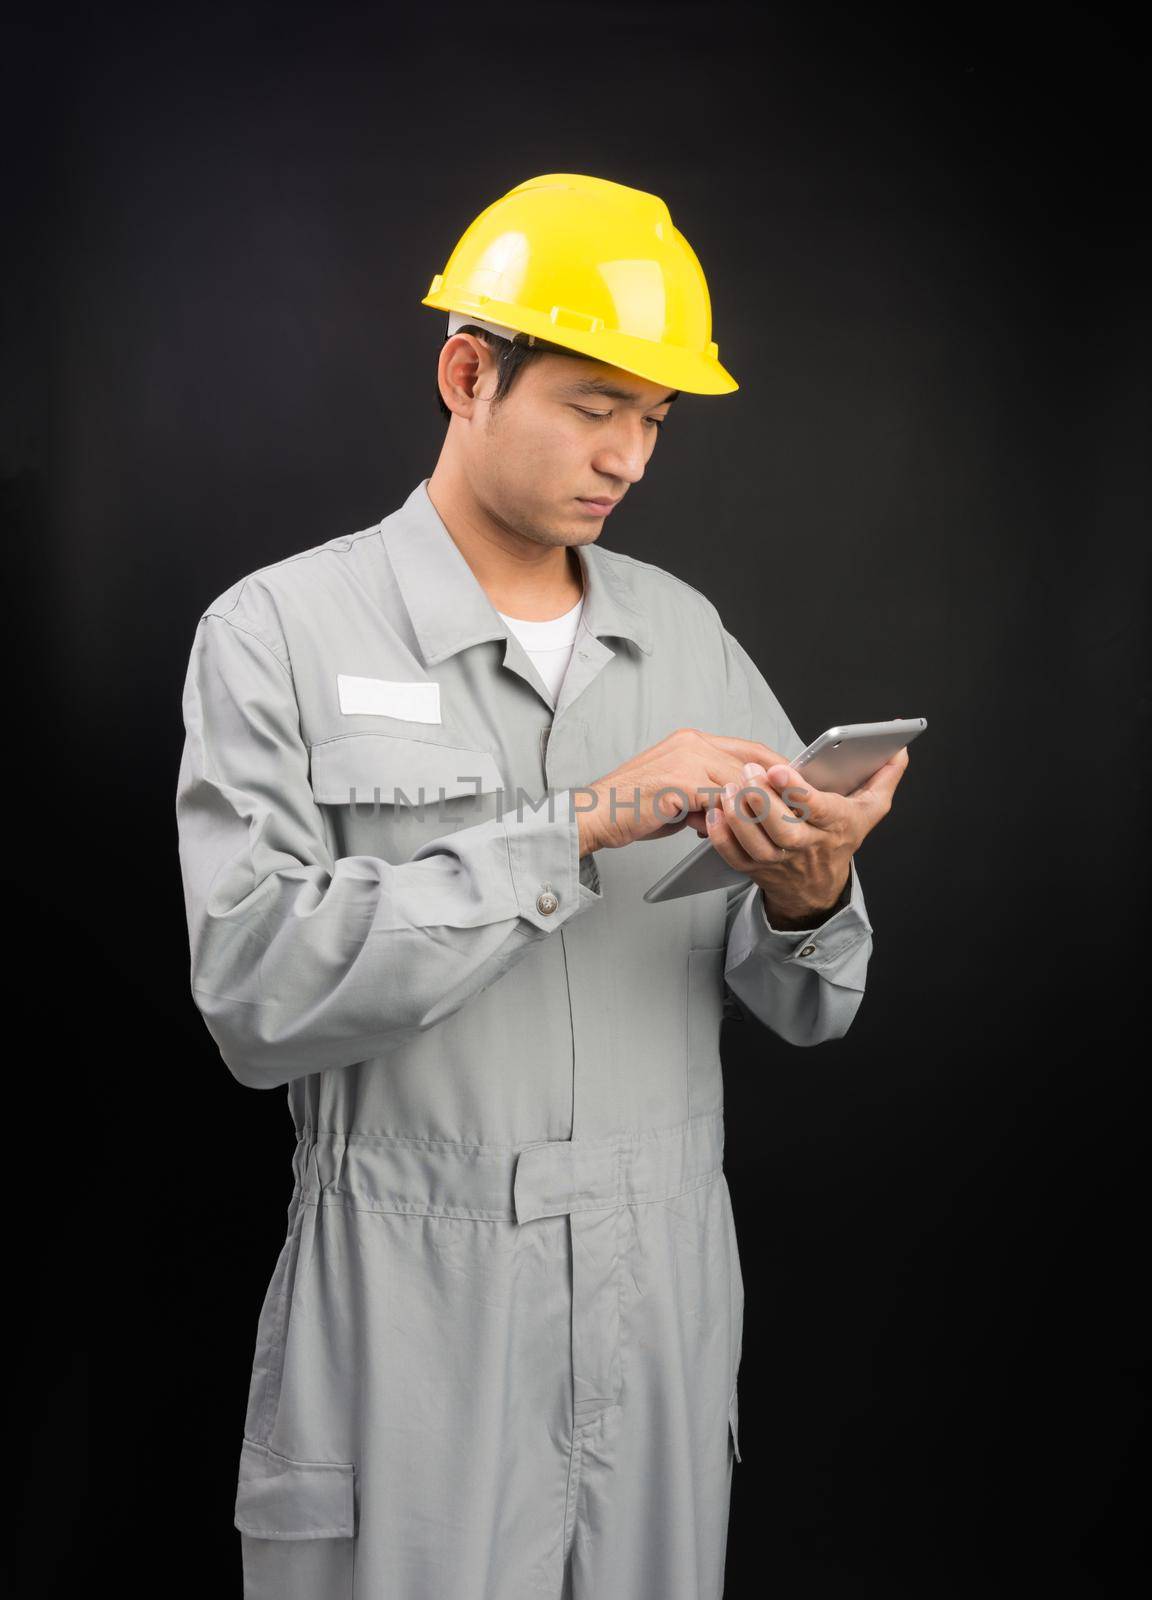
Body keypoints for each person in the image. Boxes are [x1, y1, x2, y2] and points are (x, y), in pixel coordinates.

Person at [176, 172, 908, 1600]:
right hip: (413, 1293)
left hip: (664, 1291)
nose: (628, 456)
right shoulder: (280, 631)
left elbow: (808, 1010)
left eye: (654, 419)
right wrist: (568, 827)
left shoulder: (684, 637)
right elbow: (253, 994)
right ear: (467, 373)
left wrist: (807, 898)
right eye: (592, 404)